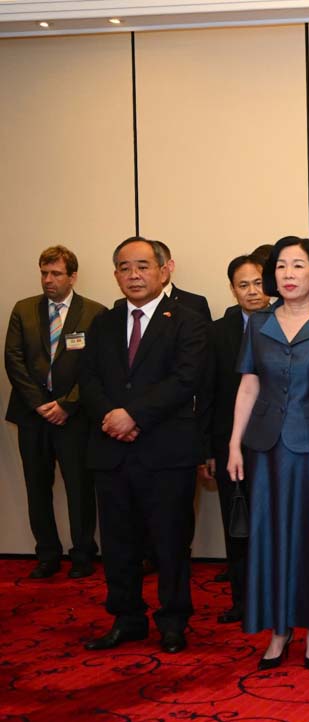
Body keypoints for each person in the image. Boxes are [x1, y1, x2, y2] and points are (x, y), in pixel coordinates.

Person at [227, 236, 309, 671]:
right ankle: (279, 630)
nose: (288, 274)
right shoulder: (257, 323)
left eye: (298, 266)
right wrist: (233, 444)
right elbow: (248, 385)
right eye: (281, 266)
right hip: (264, 447)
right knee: (270, 537)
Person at [79, 236, 207, 654]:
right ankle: (126, 618)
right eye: (124, 267)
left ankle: (173, 621)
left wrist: (133, 416)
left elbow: (186, 378)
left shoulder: (186, 320)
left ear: (164, 269)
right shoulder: (104, 321)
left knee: (170, 542)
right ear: (115, 274)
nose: (133, 275)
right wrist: (112, 417)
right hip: (112, 450)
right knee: (118, 543)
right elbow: (90, 379)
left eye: (142, 266)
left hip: (165, 451)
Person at [5, 245, 105, 579]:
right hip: (32, 414)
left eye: (56, 273)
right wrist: (39, 404)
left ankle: (82, 553)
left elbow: (95, 368)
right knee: (37, 485)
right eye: (44, 273)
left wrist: (66, 404)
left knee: (79, 486)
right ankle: (47, 554)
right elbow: (13, 359)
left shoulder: (94, 312)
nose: (48, 280)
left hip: (74, 416)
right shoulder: (23, 310)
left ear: (72, 276)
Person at [199, 254, 270, 624]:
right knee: (238, 524)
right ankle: (242, 600)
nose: (253, 292)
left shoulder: (286, 321)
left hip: (278, 445)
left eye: (258, 283)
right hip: (233, 447)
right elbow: (207, 393)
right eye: (244, 285)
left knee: (277, 525)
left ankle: (278, 598)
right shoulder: (216, 332)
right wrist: (210, 449)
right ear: (232, 289)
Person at [154, 241, 212, 321]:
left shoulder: (194, 304)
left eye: (156, 264)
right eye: (143, 267)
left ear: (170, 266)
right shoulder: (133, 304)